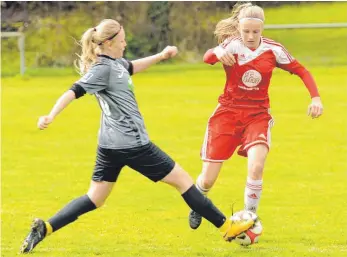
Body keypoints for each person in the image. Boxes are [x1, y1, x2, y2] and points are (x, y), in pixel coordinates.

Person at [20, 19, 255, 254]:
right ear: (109, 43)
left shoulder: (115, 63)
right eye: (122, 41)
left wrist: (161, 56)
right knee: (183, 181)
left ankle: (45, 228)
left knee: (95, 198)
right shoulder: (102, 69)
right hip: (133, 144)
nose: (125, 44)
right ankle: (227, 226)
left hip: (109, 146)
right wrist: (50, 115)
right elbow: (74, 90)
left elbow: (131, 66)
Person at [188, 3, 323, 229]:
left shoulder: (273, 49)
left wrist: (316, 98)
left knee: (256, 166)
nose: (250, 36)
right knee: (208, 178)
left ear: (262, 30)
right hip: (228, 114)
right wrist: (218, 51)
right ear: (239, 29)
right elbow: (207, 58)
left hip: (257, 115)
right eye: (246, 31)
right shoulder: (231, 46)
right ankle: (197, 203)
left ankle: (249, 219)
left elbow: (302, 70)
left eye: (255, 32)